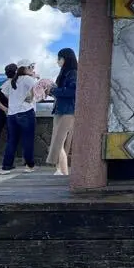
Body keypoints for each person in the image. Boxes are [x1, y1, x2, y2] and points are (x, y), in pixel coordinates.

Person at [0, 60, 39, 174]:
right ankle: (29, 165)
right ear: (25, 68)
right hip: (26, 112)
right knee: (28, 140)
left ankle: (6, 166)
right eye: (31, 67)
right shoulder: (28, 79)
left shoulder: (11, 80)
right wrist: (28, 97)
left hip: (12, 114)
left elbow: (5, 92)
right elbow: (38, 91)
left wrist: (16, 98)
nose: (32, 69)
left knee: (11, 141)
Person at [47, 47, 78, 176]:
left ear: (65, 59)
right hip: (61, 109)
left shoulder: (73, 73)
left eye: (59, 58)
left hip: (68, 111)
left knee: (58, 143)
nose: (58, 61)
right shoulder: (66, 72)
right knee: (58, 142)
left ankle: (63, 172)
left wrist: (53, 90)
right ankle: (60, 170)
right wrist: (51, 91)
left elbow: (72, 92)